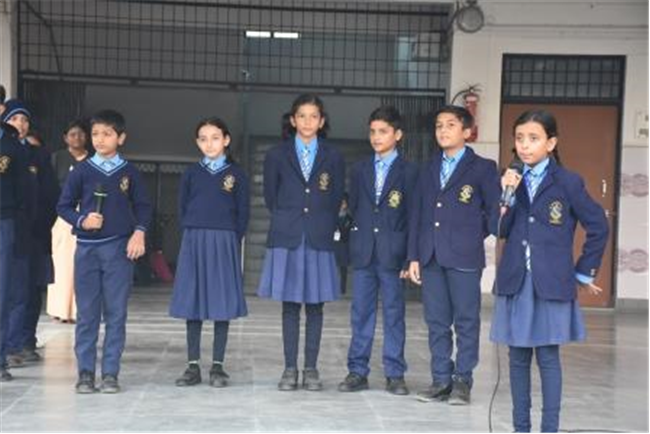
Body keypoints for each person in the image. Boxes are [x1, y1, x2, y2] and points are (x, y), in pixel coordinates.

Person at [491, 109, 609, 433]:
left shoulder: (567, 182)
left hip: (551, 282)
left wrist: (584, 272)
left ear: (551, 143)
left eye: (533, 138)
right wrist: (505, 196)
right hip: (516, 280)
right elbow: (497, 228)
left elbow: (598, 226)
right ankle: (521, 428)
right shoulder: (509, 180)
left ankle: (549, 428)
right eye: (519, 138)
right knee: (517, 358)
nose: (525, 145)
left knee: (547, 357)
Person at [408, 105, 501, 405]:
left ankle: (462, 381)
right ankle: (440, 380)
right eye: (439, 125)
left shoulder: (483, 168)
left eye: (450, 125)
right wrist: (413, 256)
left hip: (464, 257)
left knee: (466, 321)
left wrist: (471, 235)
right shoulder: (428, 168)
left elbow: (492, 211)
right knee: (436, 322)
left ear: (467, 131)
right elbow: (418, 214)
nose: (443, 130)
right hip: (431, 255)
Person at [57, 109, 152, 394]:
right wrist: (82, 220)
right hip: (87, 250)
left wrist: (139, 232)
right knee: (87, 314)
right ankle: (85, 373)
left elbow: (144, 206)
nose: (99, 139)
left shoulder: (130, 172)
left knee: (116, 314)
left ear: (121, 138)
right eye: (95, 133)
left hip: (118, 250)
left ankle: (110, 373)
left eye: (107, 134)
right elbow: (63, 206)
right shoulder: (82, 171)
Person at [258, 94, 345, 391]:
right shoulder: (276, 155)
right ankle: (289, 369)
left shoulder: (333, 156)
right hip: (288, 235)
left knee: (316, 307)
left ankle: (311, 369)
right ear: (293, 120)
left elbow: (335, 196)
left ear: (322, 121)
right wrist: (290, 217)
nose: (308, 121)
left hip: (318, 235)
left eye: (314, 116)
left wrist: (320, 220)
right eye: (302, 116)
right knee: (290, 306)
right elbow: (271, 196)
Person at [338, 106, 418, 396]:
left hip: (393, 253)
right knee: (361, 313)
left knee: (394, 313)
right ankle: (357, 371)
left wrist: (410, 256)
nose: (376, 137)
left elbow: (413, 217)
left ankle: (395, 373)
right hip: (364, 251)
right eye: (372, 131)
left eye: (383, 131)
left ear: (397, 135)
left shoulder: (410, 171)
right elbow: (356, 208)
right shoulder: (360, 169)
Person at [170, 117, 250, 388]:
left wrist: (231, 239)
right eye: (203, 139)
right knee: (192, 302)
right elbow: (181, 208)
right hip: (194, 238)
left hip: (224, 240)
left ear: (226, 140)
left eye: (215, 138)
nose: (209, 144)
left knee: (221, 303)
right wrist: (192, 231)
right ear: (197, 143)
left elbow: (243, 212)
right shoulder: (191, 173)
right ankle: (192, 366)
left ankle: (218, 366)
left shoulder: (236, 174)